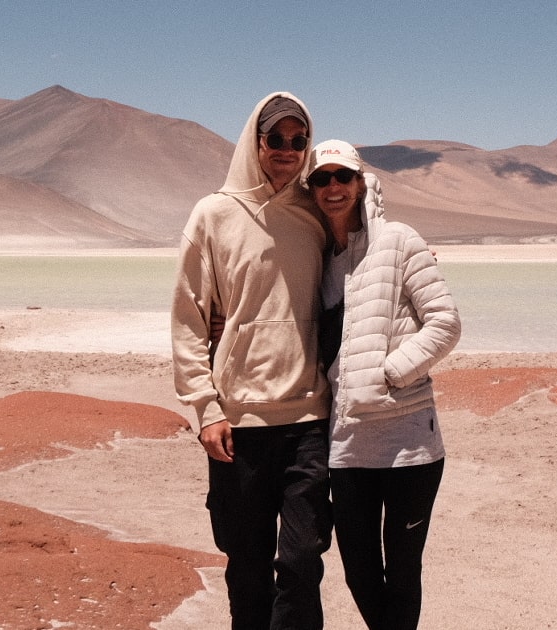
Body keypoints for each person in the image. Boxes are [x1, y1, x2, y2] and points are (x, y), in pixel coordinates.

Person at [171, 93, 332, 630]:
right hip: (238, 423)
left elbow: (363, 239)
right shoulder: (213, 214)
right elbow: (189, 316)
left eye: (298, 140)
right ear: (255, 142)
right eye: (276, 138)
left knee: (302, 562)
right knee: (247, 565)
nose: (287, 149)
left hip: (309, 417)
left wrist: (410, 256)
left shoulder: (316, 211)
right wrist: (205, 407)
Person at [307, 139, 461, 630]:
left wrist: (390, 373)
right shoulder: (319, 260)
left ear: (360, 183)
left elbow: (445, 322)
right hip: (347, 445)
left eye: (342, 176)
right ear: (312, 189)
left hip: (408, 445)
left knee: (403, 571)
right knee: (359, 571)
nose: (333, 187)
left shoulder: (397, 240)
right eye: (321, 178)